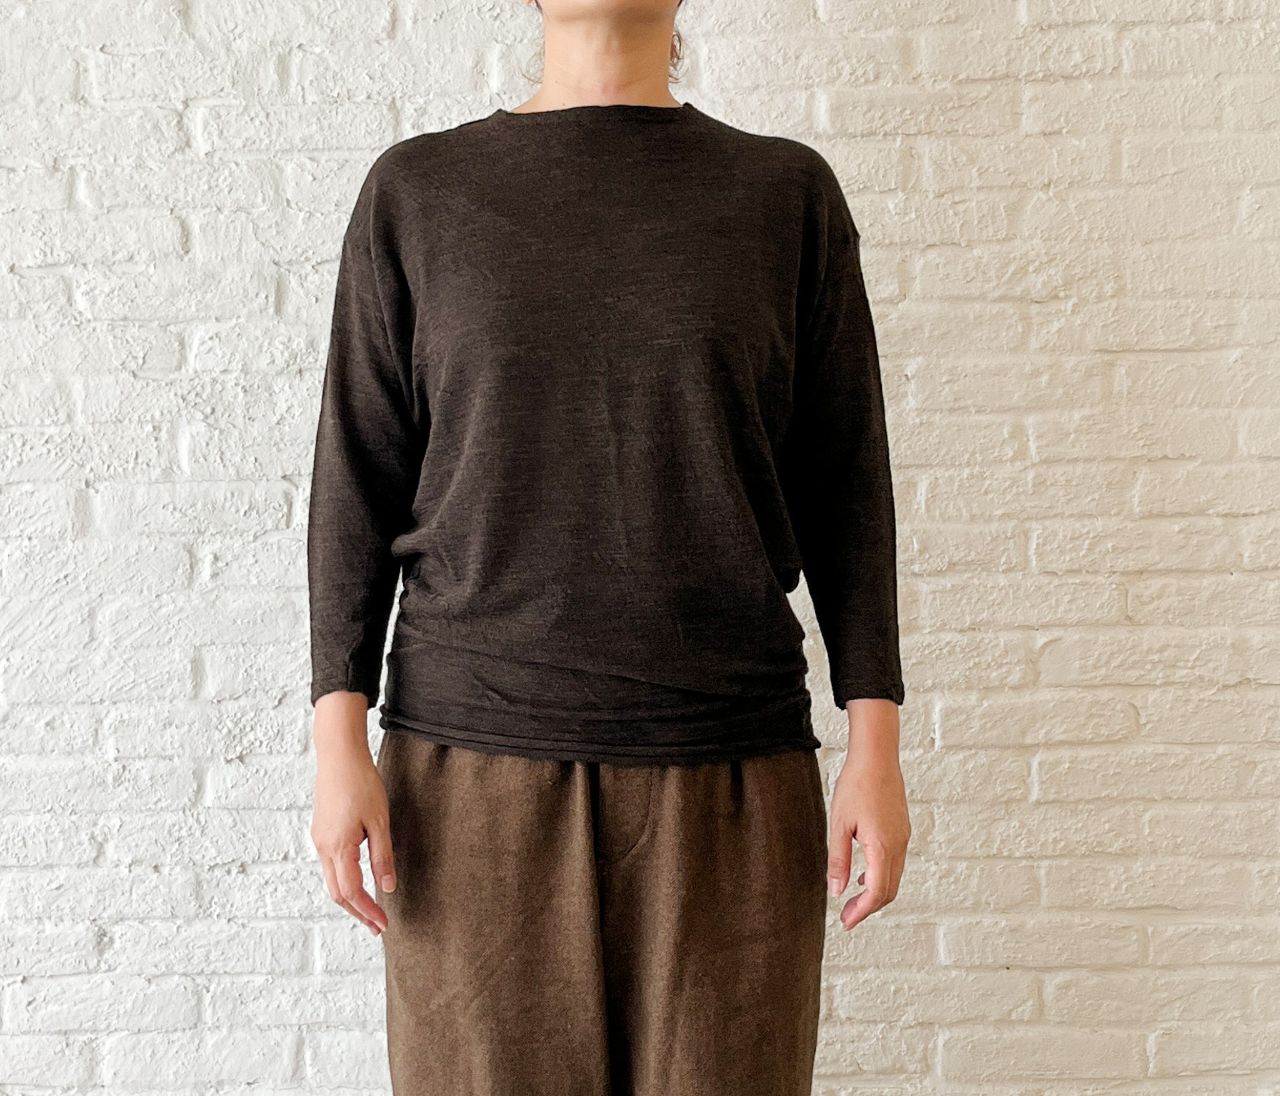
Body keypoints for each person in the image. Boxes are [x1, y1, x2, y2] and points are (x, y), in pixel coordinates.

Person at [306, 1, 910, 1092]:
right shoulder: (419, 194)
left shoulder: (783, 198)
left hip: (727, 778)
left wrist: (876, 746)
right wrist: (335, 740)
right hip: (469, 783)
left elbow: (845, 485)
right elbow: (356, 477)